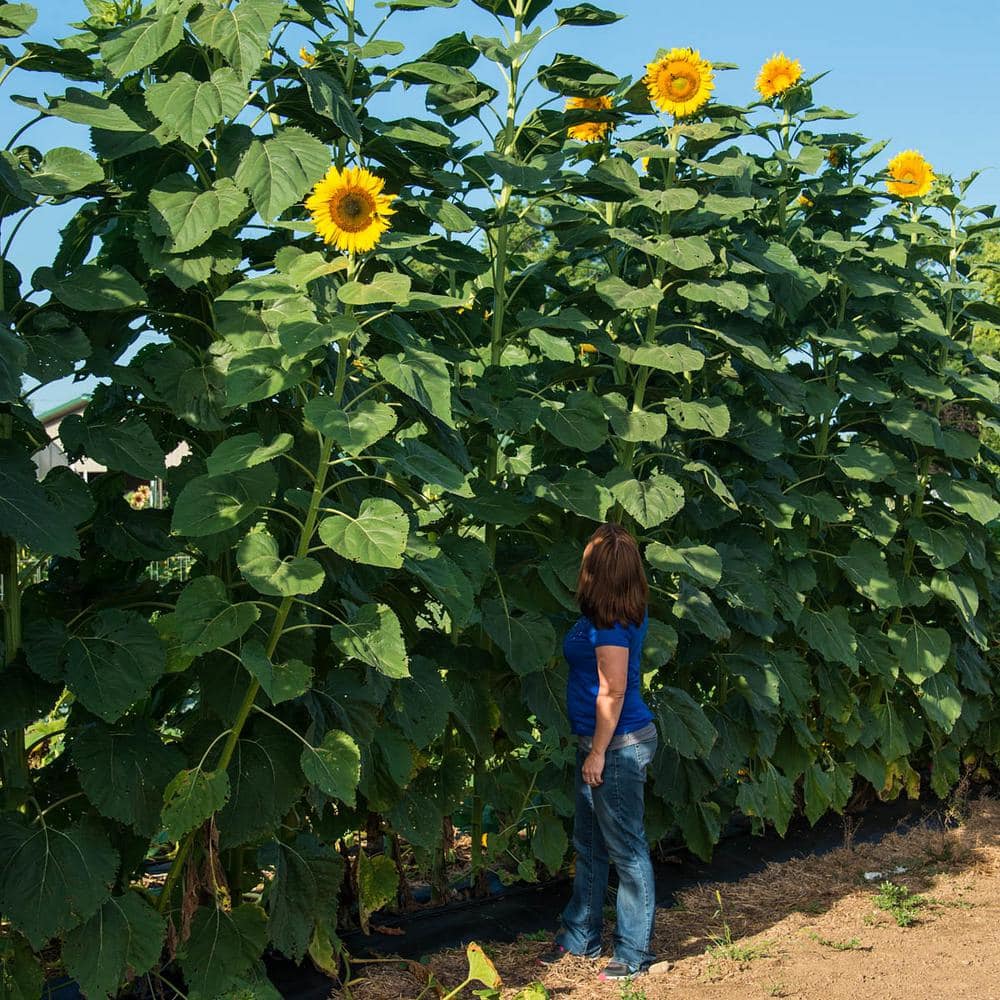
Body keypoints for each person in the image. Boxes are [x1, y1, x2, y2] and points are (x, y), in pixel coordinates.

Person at [539, 522, 658, 980]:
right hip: (604, 744)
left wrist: (598, 753)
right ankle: (581, 936)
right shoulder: (612, 612)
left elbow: (613, 691)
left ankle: (633, 951)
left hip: (618, 747)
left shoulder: (610, 625)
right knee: (589, 843)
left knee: (626, 849)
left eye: (588, 560)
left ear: (598, 572)